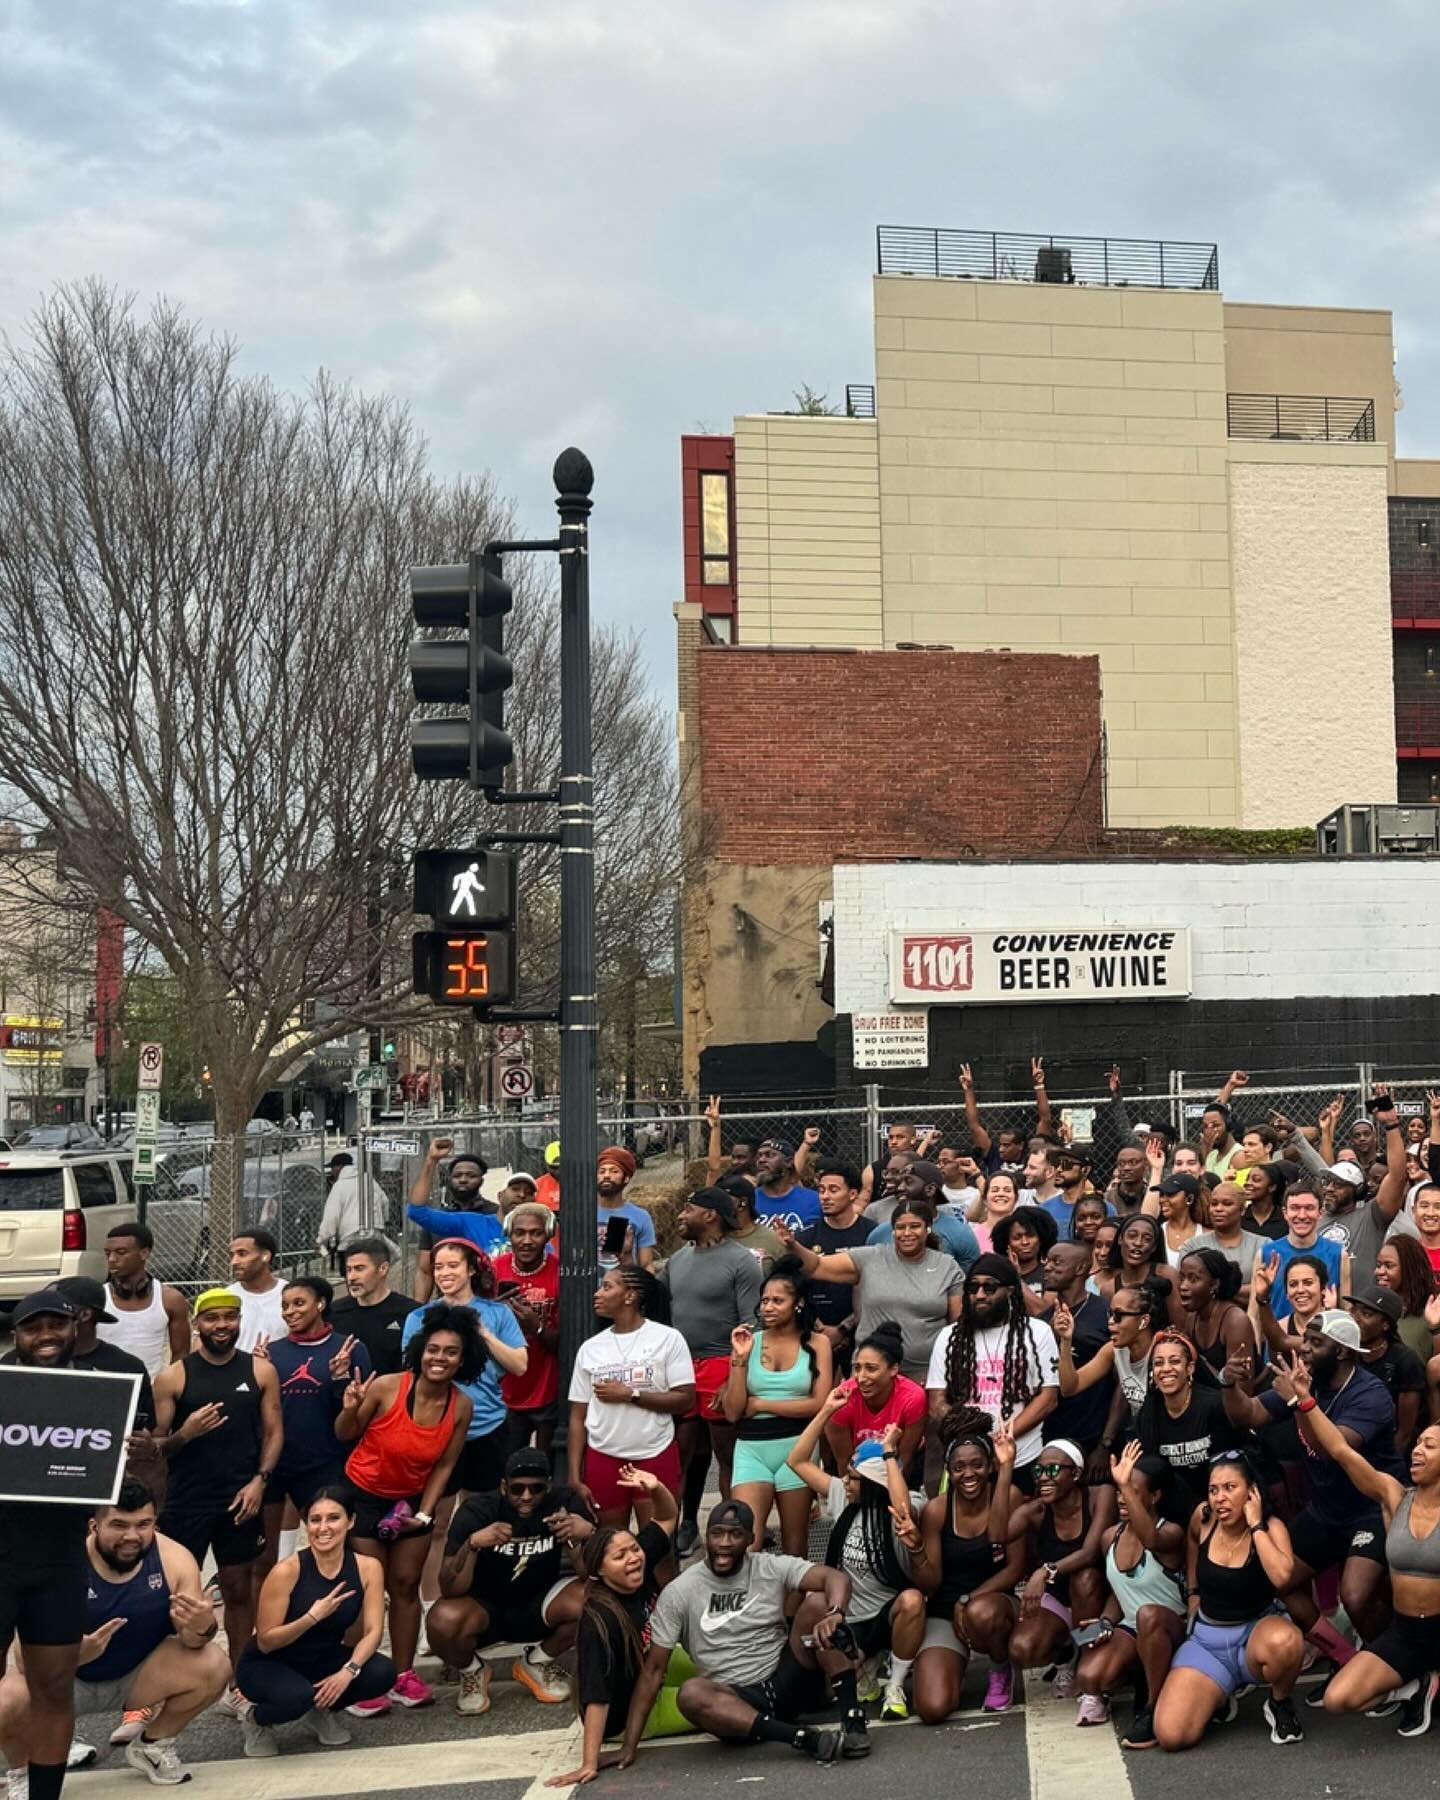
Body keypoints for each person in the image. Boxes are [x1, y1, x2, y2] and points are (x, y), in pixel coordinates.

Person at [0, 1481, 229, 1785]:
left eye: (143, 1524)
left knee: (214, 1663)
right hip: (65, 1680)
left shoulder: (175, 1558)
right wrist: (73, 1655)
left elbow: (190, 1640)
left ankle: (153, 1745)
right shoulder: (66, 1562)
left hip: (134, 1677)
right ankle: (23, 1772)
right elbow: (25, 1663)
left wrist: (203, 1626)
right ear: (94, 1525)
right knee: (8, 1699)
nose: (132, 1536)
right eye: (119, 1525)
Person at [613, 1499, 868, 1765]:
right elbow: (653, 1670)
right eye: (716, 1533)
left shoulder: (769, 1566)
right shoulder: (679, 1592)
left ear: (751, 1538)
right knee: (690, 1693)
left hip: (786, 1678)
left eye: (735, 1534)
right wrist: (630, 1745)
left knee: (817, 1604)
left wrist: (836, 1613)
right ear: (707, 1537)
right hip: (736, 1702)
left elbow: (834, 1578)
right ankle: (802, 1738)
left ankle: (853, 1720)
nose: (724, 1542)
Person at [1220, 1315, 1406, 1670]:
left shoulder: (1370, 1394)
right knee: (1279, 1577)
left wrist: (1298, 1402)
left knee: (1355, 1595)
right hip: (1326, 1511)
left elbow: (1330, 1450)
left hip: (1371, 1509)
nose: (1303, 1348)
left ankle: (1392, 1667)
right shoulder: (1306, 1381)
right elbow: (1248, 1414)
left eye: (1316, 1343)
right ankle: (1343, 1656)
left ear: (1342, 1353)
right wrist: (1229, 1384)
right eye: (1305, 1338)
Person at [0, 1290, 123, 1800]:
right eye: (33, 1327)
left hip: (58, 1561)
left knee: (53, 1689)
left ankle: (43, 1795)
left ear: (77, 1326)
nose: (45, 1336)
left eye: (56, 1325)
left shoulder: (103, 1393)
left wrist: (131, 1459)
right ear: (17, 1335)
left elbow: (131, 1490)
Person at [336, 1302, 475, 1712]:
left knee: (405, 1586)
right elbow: (344, 1434)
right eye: (434, 1349)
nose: (440, 1358)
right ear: (420, 1350)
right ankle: (358, 1676)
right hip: (363, 1494)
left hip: (410, 1502)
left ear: (463, 1359)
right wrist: (348, 1406)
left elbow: (445, 1464)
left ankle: (402, 1675)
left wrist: (426, 1515)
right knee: (367, 1588)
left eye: (451, 1352)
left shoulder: (461, 1406)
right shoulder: (387, 1387)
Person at [154, 1289, 283, 1696]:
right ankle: (159, 1685)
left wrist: (260, 1481)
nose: (222, 1326)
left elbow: (275, 1431)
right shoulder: (175, 1376)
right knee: (171, 1595)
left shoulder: (260, 1371)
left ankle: (240, 1682)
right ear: (197, 1323)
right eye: (212, 1319)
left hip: (239, 1498)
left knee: (238, 1590)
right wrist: (185, 1434)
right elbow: (154, 1448)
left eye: (230, 1317)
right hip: (185, 1500)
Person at [1297, 1389, 1440, 1734]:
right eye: (1417, 1443)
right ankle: (1414, 1688)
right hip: (1404, 1635)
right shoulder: (1394, 1496)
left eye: (1430, 1446)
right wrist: (1306, 1401)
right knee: (1339, 1699)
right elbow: (1341, 1451)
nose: (1417, 1450)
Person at [1152, 1450, 1304, 1750]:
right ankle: (1219, 1697)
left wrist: (1257, 1525)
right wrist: (1194, 1593)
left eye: (1230, 1488)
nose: (1219, 1497)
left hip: (1254, 1636)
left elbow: (1283, 1577)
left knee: (1287, 1641)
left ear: (1252, 1492)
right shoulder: (1203, 1518)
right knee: (1172, 1736)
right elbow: (1193, 1543)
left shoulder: (1272, 1527)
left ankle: (1280, 1703)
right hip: (1208, 1642)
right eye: (1213, 1489)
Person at [787, 1401, 927, 1721]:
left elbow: (904, 1509)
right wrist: (824, 1413)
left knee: (913, 1601)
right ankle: (866, 1662)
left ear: (875, 1482)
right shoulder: (842, 1495)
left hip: (888, 1616)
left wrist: (889, 1454)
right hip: (850, 1619)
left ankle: (895, 1684)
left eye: (853, 1478)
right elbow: (796, 1460)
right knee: (813, 1598)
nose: (845, 1482)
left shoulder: (908, 1502)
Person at [542, 1468, 682, 1787]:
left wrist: (656, 1486)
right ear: (601, 1571)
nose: (633, 1559)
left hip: (653, 1666)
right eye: (620, 1556)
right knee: (704, 1698)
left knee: (718, 1663)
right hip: (628, 1712)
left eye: (634, 1549)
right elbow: (596, 1695)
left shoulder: (638, 1562)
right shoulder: (600, 1620)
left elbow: (667, 1517)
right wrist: (589, 1762)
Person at [426, 1449, 592, 1715]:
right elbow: (449, 1588)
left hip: (540, 1602)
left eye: (536, 1489)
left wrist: (583, 1535)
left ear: (548, 1486)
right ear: (504, 1487)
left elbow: (589, 1573)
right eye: (517, 1489)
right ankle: (472, 1671)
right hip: (485, 1607)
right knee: (440, 1620)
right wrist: (472, 1545)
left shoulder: (565, 1502)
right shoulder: (478, 1511)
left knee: (597, 1599)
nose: (526, 1497)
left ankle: (536, 1663)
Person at [234, 1488, 394, 1756]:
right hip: (270, 1663)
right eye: (315, 1520)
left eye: (333, 1518)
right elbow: (266, 1641)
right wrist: (311, 1617)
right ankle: (256, 1719)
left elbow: (373, 1631)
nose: (323, 1528)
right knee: (297, 1697)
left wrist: (349, 1671)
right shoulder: (287, 1570)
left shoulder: (368, 1567)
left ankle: (321, 1709)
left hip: (322, 1658)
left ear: (351, 1521)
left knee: (381, 1672)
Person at [662, 1187, 763, 1555]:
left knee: (727, 1454)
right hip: (681, 1366)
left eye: (688, 1208)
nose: (681, 1215)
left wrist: (734, 1378)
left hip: (722, 1363)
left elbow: (752, 1321)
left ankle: (730, 1527)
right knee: (680, 1453)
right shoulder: (676, 1260)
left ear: (710, 1215)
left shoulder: (741, 1261)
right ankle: (677, 1527)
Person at [912, 1408, 1026, 1720]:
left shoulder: (1010, 1496)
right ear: (949, 1470)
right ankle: (952, 1665)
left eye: (977, 1464)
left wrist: (969, 1599)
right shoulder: (936, 1511)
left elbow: (1015, 1569)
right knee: (932, 1708)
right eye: (959, 1467)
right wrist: (915, 1548)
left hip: (993, 1604)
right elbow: (930, 1583)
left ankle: (1000, 1668)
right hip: (944, 1612)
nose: (969, 1474)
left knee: (981, 1612)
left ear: (990, 1465)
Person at [776, 1198, 965, 1386]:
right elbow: (816, 1267)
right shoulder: (870, 1257)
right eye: (900, 1227)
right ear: (892, 1230)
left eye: (915, 1226)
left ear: (928, 1229)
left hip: (926, 1373)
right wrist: (793, 1245)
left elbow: (957, 1326)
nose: (907, 1233)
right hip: (869, 1374)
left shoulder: (947, 1266)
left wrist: (943, 1372)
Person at [258, 1276, 372, 1575]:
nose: (290, 1311)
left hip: (324, 1463)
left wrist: (339, 1379)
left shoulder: (349, 1348)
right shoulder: (273, 1351)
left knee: (332, 1548)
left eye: (299, 1303)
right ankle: (268, 1620)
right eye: (284, 1306)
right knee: (261, 1557)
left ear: (320, 1304)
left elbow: (355, 1414)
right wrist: (255, 1372)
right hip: (275, 1462)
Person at [1072, 1443, 1186, 1740]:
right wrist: (1106, 1622)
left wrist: (1122, 1480)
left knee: (1148, 1615)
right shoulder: (1110, 1536)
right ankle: (1138, 1673)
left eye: (1133, 1492)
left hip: (1170, 1628)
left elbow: (1149, 1538)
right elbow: (1119, 1593)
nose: (1122, 1498)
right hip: (1133, 1628)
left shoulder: (1171, 1533)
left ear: (1155, 1496)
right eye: (1120, 1491)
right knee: (1089, 1677)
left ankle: (1151, 1705)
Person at [568, 1267, 695, 1528]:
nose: (597, 1294)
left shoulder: (668, 1339)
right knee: (611, 1545)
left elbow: (685, 1399)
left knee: (659, 1550)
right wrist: (574, 1475)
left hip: (654, 1453)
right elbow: (577, 1416)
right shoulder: (590, 1349)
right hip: (604, 1456)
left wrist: (631, 1394)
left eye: (607, 1287)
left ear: (630, 1296)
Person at [400, 1239, 528, 1499]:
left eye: (453, 1265)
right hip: (436, 1426)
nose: (444, 1273)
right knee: (436, 1517)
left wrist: (483, 1334)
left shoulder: (498, 1313)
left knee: (481, 1512)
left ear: (471, 1269)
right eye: (438, 1267)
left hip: (487, 1425)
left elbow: (519, 1366)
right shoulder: (418, 1317)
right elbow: (409, 1370)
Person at [723, 1260, 831, 1554]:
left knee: (795, 1545)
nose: (768, 1307)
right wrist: (740, 1359)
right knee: (746, 1544)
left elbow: (818, 1404)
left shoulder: (819, 1343)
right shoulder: (749, 1341)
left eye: (778, 1300)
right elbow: (733, 1412)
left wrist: (760, 1402)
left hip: (797, 1450)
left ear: (798, 1304)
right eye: (765, 1300)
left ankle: (792, 1601)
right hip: (751, 1449)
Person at [925, 1255, 1059, 1492]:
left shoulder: (1038, 1332)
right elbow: (937, 1403)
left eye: (990, 1287)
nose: (980, 1295)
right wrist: (972, 1439)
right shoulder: (949, 1336)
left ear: (1009, 1291)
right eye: (973, 1287)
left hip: (1023, 1455)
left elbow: (1048, 1399)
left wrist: (999, 1437)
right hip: (966, 1459)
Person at [1000, 1431, 1115, 1695]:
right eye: (1038, 1471)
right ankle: (1066, 1654)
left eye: (1052, 1470)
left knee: (1084, 1578)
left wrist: (1045, 1570)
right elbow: (998, 1535)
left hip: (1097, 1596)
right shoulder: (1037, 1510)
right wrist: (1006, 1468)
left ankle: (1088, 1667)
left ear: (1075, 1474)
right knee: (1023, 1649)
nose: (1043, 1477)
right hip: (1059, 1600)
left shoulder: (1100, 1495)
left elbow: (1090, 1553)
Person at [1134, 1330, 1247, 1521]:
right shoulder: (1148, 1411)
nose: (1166, 1369)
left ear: (1190, 1368)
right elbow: (1152, 1470)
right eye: (1158, 1363)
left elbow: (1229, 1464)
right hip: (1173, 1506)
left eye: (1175, 1361)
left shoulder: (1213, 1405)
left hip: (1217, 1502)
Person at [1056, 1277, 1169, 1446]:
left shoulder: (1165, 1352)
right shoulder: (1114, 1350)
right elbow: (1070, 1387)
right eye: (1110, 1314)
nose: (1110, 1322)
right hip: (1142, 1440)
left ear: (1143, 1321)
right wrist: (1066, 1341)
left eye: (1118, 1316)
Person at [491, 1203, 561, 1459]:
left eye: (536, 1233)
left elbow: (567, 1342)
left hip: (547, 1387)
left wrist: (537, 1327)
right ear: (509, 1235)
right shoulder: (495, 1269)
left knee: (545, 1467)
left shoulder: (560, 1271)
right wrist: (494, 1312)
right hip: (505, 1390)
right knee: (507, 1466)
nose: (527, 1241)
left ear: (549, 1235)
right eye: (520, 1233)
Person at [1037, 1242, 1114, 1461]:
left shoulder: (1106, 1312)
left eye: (1057, 1262)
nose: (1048, 1267)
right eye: (1048, 1261)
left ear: (1081, 1269)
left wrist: (1105, 1443)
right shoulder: (1042, 1321)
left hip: (1095, 1431)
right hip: (1052, 1431)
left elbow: (1121, 1383)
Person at [799, 1161, 872, 1377]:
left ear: (852, 1194)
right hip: (814, 1331)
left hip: (860, 1333)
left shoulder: (872, 1234)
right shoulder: (805, 1237)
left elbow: (877, 1285)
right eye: (821, 1190)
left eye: (833, 1190)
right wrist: (817, 1326)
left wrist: (844, 1329)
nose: (825, 1197)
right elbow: (795, 1286)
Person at [824, 1321, 927, 1471]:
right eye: (857, 1368)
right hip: (854, 1478)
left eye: (871, 1369)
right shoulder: (842, 1399)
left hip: (894, 1475)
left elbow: (904, 1464)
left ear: (893, 1369)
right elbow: (844, 1466)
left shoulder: (913, 1398)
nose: (861, 1378)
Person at [1345, 1282, 1427, 1453]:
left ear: (1385, 1325)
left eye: (1365, 1313)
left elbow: (1405, 1432)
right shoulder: (1345, 1352)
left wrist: (1385, 1469)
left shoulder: (1405, 1361)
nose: (1355, 1318)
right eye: (1353, 1310)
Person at [99, 1224, 191, 1377]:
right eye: (108, 1253)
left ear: (144, 1253)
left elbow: (181, 1355)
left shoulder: (170, 1299)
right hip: (104, 1390)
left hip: (151, 1391)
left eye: (121, 1252)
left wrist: (167, 1390)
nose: (112, 1259)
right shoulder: (96, 1298)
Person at [411, 1141, 495, 1301]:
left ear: (481, 1181)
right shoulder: (437, 1219)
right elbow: (424, 1271)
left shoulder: (494, 1215)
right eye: (457, 1175)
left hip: (490, 1302)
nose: (463, 1180)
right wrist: (418, 1310)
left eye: (471, 1176)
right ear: (449, 1180)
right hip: (448, 1304)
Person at [865, 1162, 980, 1270]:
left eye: (908, 1182)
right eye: (900, 1183)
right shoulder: (880, 1234)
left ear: (930, 1189)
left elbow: (967, 1282)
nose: (900, 1188)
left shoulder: (959, 1233)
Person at [330, 1238, 418, 1376]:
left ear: (383, 1269)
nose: (351, 1277)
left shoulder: (409, 1314)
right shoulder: (334, 1312)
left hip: (392, 1394)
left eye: (359, 1269)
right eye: (348, 1270)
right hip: (344, 1394)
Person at [1266, 1188, 1349, 1322]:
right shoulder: (1267, 1253)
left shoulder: (1338, 1254)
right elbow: (1255, 1313)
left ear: (1320, 1213)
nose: (1302, 1215)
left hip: (1322, 1340)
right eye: (1295, 1208)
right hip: (1277, 1340)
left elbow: (1346, 1310)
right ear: (1285, 1213)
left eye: (1309, 1208)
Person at [1174, 1250, 1252, 1378]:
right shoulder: (1191, 1318)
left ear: (1214, 1284)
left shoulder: (1236, 1321)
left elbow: (1244, 1389)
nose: (1183, 1286)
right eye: (1181, 1278)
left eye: (1193, 1279)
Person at [958, 1060, 1044, 1175]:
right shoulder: (994, 1157)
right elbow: (974, 1126)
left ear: (1020, 1146)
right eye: (1001, 1145)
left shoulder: (1031, 1159)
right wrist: (968, 1089)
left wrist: (1039, 1086)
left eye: (1007, 1145)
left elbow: (1045, 1120)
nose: (1001, 1149)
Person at [1178, 1181, 1264, 1290]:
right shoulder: (1192, 1246)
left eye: (1227, 1204)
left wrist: (1212, 1290)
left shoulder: (1262, 1245)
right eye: (1214, 1204)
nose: (1218, 1209)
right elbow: (1185, 1287)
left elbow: (1265, 1289)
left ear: (1242, 1210)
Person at [1375, 1233, 1437, 1362]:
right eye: (1378, 1265)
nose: (1379, 1272)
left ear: (1409, 1268)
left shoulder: (1433, 1311)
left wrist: (1435, 1329)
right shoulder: (1374, 1310)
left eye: (1388, 1265)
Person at [595, 1148, 657, 1272]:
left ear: (626, 1178)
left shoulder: (640, 1217)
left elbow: (646, 1265)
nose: (606, 1175)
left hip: (623, 1286)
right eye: (602, 1171)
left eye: (614, 1171)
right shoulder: (582, 1213)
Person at [227, 1231, 287, 1351]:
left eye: (242, 1254)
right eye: (232, 1255)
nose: (234, 1262)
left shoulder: (290, 1294)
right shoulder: (227, 1297)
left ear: (265, 1256)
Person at [750, 1140, 820, 1232]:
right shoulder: (749, 1200)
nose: (761, 1160)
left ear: (789, 1162)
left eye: (770, 1155)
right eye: (759, 1156)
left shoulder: (814, 1201)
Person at [1040, 1145, 1106, 1238]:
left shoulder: (1104, 1209)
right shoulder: (1044, 1210)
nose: (1058, 1169)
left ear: (1085, 1170)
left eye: (1066, 1164)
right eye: (1057, 1163)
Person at [1144, 1172, 1208, 1268]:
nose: (1162, 1200)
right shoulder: (1155, 1233)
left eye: (1170, 1194)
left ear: (1189, 1198)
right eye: (1162, 1194)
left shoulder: (1206, 1235)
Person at [992, 1205, 1057, 1296]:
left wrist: (1017, 1278)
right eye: (1017, 1238)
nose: (1025, 1242)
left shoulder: (1051, 1274)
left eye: (1031, 1236)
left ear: (1041, 1239)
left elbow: (1042, 1309)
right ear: (1007, 1243)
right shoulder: (996, 1276)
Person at [702, 1096, 758, 1190]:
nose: (735, 1162)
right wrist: (716, 1126)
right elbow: (714, 1169)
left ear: (756, 1158)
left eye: (741, 1158)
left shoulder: (764, 1186)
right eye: (734, 1157)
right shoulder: (725, 1183)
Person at [318, 1155, 362, 1262]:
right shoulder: (368, 1181)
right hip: (372, 1237)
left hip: (349, 1239)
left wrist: (321, 1239)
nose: (332, 1172)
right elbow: (384, 1201)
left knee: (350, 1273)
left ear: (339, 1167)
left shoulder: (339, 1186)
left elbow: (331, 1216)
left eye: (332, 1168)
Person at [968, 1168, 1019, 1255]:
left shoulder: (1025, 1233)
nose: (1001, 1194)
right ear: (984, 1199)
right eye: (995, 1190)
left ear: (1016, 1198)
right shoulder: (971, 1235)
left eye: (1007, 1190)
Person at [1241, 1161, 1291, 1241]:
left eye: (1256, 1180)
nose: (1248, 1183)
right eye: (1247, 1179)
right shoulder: (1239, 1217)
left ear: (1272, 1187)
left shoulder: (1286, 1219)